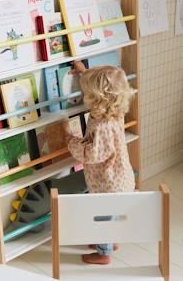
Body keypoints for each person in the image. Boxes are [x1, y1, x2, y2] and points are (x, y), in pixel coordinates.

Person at [65, 61, 136, 264]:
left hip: (108, 184)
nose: (84, 97)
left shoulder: (103, 125)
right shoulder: (114, 112)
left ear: (98, 100)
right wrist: (83, 72)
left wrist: (71, 141)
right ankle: (109, 242)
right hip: (118, 179)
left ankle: (104, 253)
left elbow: (91, 153)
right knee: (108, 216)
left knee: (102, 217)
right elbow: (104, 86)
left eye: (87, 94)